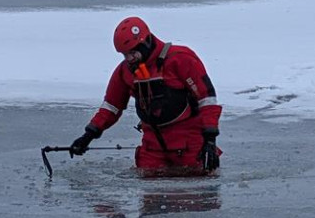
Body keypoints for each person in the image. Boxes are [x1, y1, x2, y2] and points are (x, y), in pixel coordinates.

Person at [70, 16, 222, 174]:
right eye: (124, 54)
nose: (129, 58)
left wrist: (210, 139)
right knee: (150, 194)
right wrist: (88, 135)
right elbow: (111, 107)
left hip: (189, 143)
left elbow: (207, 99)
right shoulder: (125, 71)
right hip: (152, 147)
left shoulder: (180, 59)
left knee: (195, 194)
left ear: (146, 42)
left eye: (133, 53)